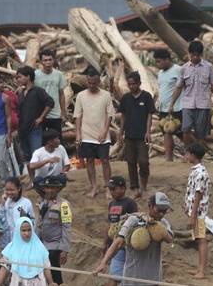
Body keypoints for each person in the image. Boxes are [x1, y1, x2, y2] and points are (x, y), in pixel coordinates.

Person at [171, 40, 213, 145]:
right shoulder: (184, 68)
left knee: (200, 133)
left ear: (201, 54)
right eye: (193, 55)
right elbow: (178, 88)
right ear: (189, 54)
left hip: (203, 105)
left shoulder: (208, 67)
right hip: (187, 104)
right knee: (185, 129)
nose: (195, 58)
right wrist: (171, 104)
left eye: (197, 55)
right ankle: (188, 152)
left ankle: (199, 155)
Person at [74, 66, 113, 198]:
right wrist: (78, 134)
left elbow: (110, 115)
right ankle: (94, 187)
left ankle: (108, 188)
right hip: (86, 135)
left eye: (94, 83)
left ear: (99, 82)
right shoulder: (80, 96)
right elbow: (78, 116)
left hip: (102, 135)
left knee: (105, 160)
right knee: (89, 160)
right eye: (89, 83)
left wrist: (105, 131)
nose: (91, 85)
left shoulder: (106, 95)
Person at [100, 176, 138, 286]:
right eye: (110, 189)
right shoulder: (112, 204)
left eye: (113, 189)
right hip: (114, 244)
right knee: (114, 275)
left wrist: (127, 239)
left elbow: (135, 223)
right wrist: (105, 242)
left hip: (126, 245)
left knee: (128, 277)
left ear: (122, 188)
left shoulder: (130, 203)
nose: (111, 192)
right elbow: (110, 224)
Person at [118, 71, 155, 196]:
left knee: (143, 161)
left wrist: (148, 132)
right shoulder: (126, 98)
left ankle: (143, 184)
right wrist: (120, 132)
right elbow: (123, 116)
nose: (131, 86)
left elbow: (150, 114)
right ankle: (134, 186)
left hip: (142, 135)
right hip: (129, 135)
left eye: (133, 84)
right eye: (129, 84)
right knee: (131, 161)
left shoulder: (147, 97)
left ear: (139, 83)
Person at [14, 66, 53, 166]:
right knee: (26, 155)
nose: (18, 79)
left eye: (20, 77)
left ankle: (40, 177)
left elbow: (50, 102)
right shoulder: (21, 93)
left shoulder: (38, 91)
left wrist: (41, 118)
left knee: (37, 153)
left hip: (34, 128)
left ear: (28, 77)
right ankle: (31, 178)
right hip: (22, 129)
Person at [37, 173, 71, 285]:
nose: (49, 190)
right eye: (47, 187)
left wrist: (64, 250)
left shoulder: (64, 205)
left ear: (57, 189)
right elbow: (39, 223)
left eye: (52, 187)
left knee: (55, 275)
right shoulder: (42, 203)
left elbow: (67, 227)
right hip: (42, 244)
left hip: (55, 245)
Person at [184, 141, 210, 279]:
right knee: (199, 239)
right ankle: (199, 269)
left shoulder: (200, 173)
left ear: (193, 155)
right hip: (196, 211)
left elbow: (198, 194)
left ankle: (202, 271)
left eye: (188, 153)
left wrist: (192, 214)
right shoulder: (196, 171)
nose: (186, 156)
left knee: (201, 239)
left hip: (199, 212)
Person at [154, 48, 182, 161]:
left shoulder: (178, 70)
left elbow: (180, 87)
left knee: (182, 132)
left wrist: (172, 104)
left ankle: (193, 154)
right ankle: (168, 158)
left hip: (177, 107)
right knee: (166, 132)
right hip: (164, 108)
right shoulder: (160, 73)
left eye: (159, 61)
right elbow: (162, 89)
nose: (157, 64)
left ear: (167, 59)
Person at [35, 49, 68, 135]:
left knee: (56, 139)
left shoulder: (59, 74)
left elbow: (61, 94)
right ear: (41, 62)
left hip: (55, 114)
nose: (48, 62)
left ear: (54, 60)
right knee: (42, 141)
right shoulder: (35, 75)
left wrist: (63, 113)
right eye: (45, 60)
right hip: (40, 113)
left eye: (50, 59)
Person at [0, 178, 34, 250]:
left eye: (12, 190)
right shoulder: (6, 202)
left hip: (22, 238)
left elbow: (32, 221)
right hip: (8, 239)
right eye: (7, 190)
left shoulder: (26, 203)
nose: (9, 192)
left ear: (19, 189)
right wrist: (2, 204)